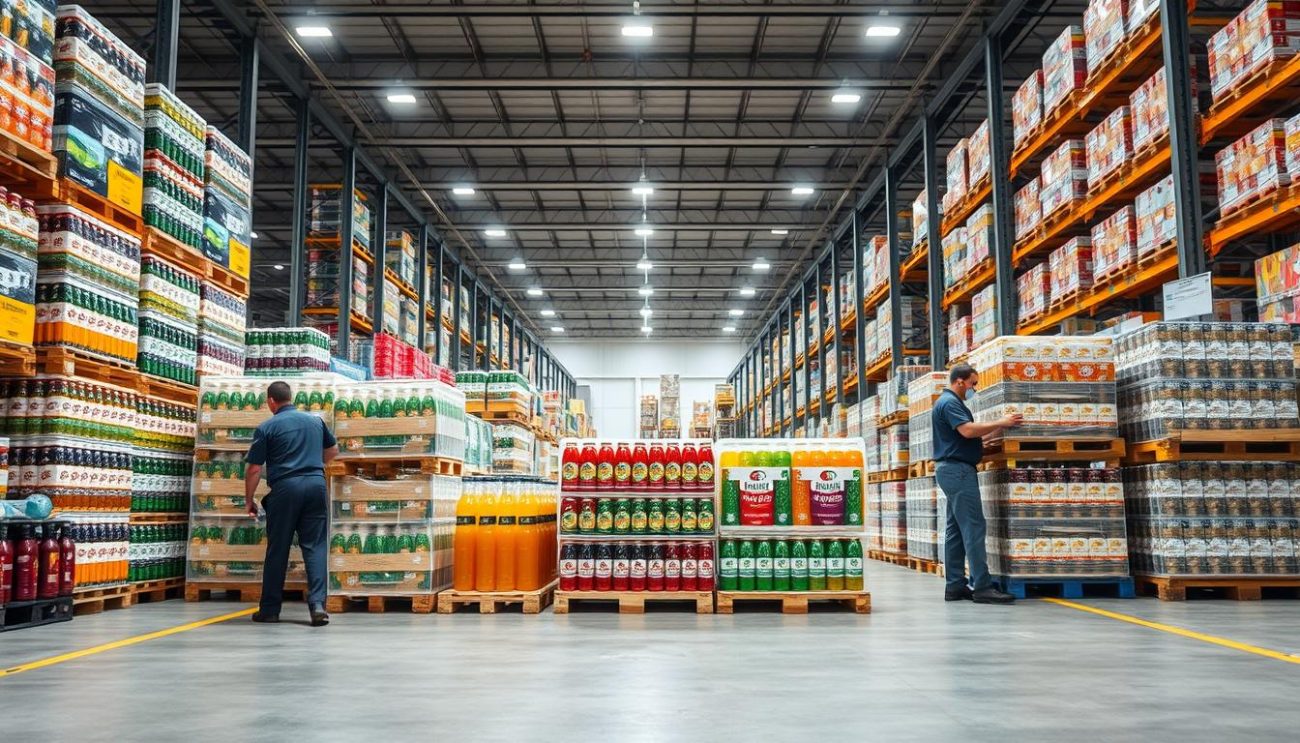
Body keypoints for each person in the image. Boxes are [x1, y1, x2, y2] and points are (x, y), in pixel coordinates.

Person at [244, 381, 338, 626]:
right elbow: (333, 450)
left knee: (279, 548)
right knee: (315, 546)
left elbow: (254, 469)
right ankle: (318, 606)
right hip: (317, 485)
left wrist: (249, 500)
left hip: (286, 489)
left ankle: (270, 610)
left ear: (271, 401)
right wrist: (312, 465)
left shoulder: (267, 427)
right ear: (291, 398)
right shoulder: (315, 421)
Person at [932, 363, 1022, 605]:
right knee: (973, 527)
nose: (974, 388)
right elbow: (968, 431)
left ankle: (955, 586)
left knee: (956, 531)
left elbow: (971, 437)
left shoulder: (950, 403)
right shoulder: (950, 403)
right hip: (958, 471)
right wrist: (1001, 421)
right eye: (973, 383)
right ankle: (982, 586)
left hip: (951, 469)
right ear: (960, 381)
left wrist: (998, 430)